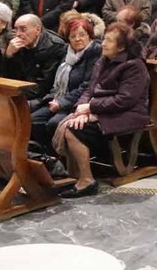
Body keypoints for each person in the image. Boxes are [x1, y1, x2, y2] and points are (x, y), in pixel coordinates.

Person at [53, 23, 151, 198]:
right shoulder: (103, 60)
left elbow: (125, 100)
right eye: (104, 38)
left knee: (73, 130)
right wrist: (80, 110)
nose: (103, 43)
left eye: (109, 41)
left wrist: (91, 108)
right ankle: (73, 176)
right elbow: (88, 90)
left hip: (129, 114)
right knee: (68, 122)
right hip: (103, 110)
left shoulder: (134, 66)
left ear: (121, 47)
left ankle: (87, 180)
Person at [30, 18, 101, 147]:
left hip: (77, 103)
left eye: (82, 35)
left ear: (90, 36)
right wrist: (51, 99)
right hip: (58, 97)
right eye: (73, 36)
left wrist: (61, 103)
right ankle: (44, 154)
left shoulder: (95, 54)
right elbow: (53, 80)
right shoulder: (66, 53)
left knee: (54, 123)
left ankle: (57, 157)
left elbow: (86, 86)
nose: (77, 39)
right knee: (33, 119)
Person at [3, 14, 67, 105]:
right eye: (16, 29)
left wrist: (15, 94)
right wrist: (9, 55)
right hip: (21, 90)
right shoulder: (15, 44)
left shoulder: (54, 46)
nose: (18, 34)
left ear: (38, 29)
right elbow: (8, 76)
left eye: (23, 29)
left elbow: (43, 86)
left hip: (43, 97)